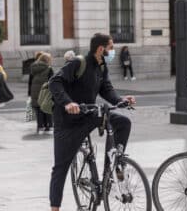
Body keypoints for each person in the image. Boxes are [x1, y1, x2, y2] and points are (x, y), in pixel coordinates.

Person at [48, 33, 136, 211]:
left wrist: (121, 101)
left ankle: (113, 164)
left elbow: (107, 90)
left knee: (123, 122)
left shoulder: (101, 67)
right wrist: (68, 103)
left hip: (88, 114)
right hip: (67, 122)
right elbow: (54, 82)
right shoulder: (78, 63)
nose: (113, 51)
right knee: (60, 168)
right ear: (101, 49)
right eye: (111, 48)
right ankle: (54, 208)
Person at [29, 52, 54, 133]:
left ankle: (40, 125)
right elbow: (52, 81)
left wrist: (29, 92)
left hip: (35, 90)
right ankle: (48, 125)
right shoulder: (49, 69)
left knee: (38, 108)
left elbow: (30, 81)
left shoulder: (33, 67)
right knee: (47, 107)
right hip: (45, 90)